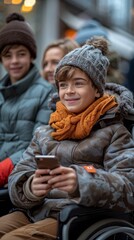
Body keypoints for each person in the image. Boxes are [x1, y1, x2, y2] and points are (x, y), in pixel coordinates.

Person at [0, 37, 134, 240]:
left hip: (78, 217)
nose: (69, 91)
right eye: (63, 85)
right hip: (36, 210)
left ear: (97, 89)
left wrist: (81, 182)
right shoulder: (46, 131)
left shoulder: (115, 132)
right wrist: (30, 187)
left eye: (78, 84)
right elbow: (19, 174)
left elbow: (128, 188)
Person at [0, 12, 53, 188]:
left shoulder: (46, 93)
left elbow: (38, 146)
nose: (14, 61)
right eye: (8, 55)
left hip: (21, 180)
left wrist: (4, 169)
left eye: (21, 54)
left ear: (31, 55)